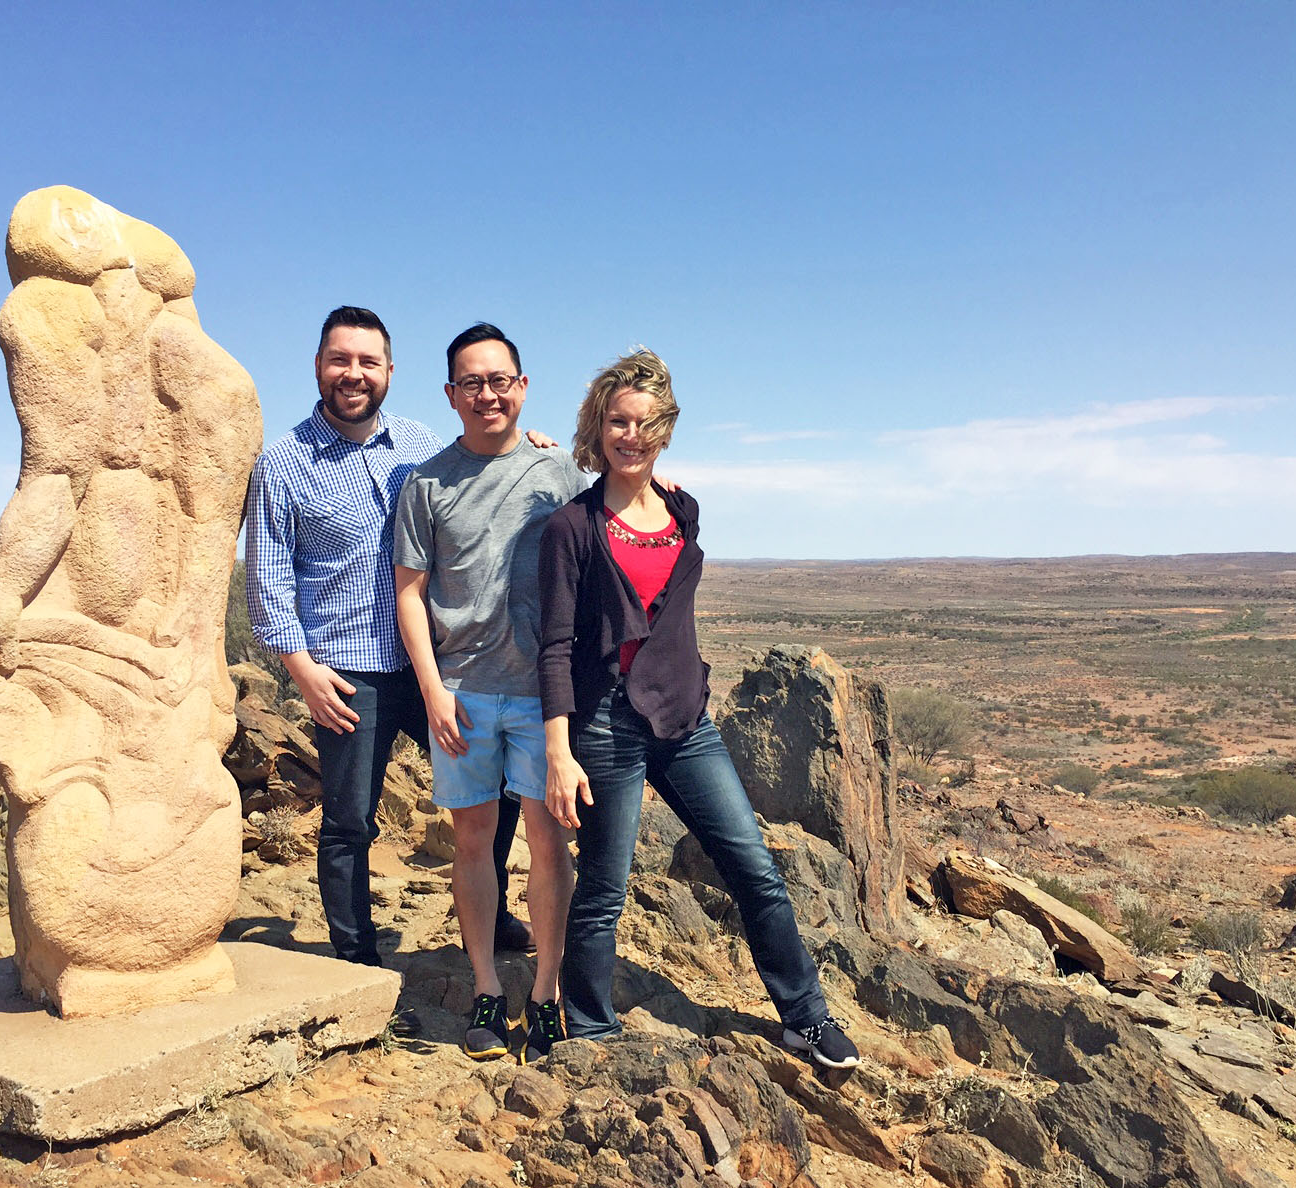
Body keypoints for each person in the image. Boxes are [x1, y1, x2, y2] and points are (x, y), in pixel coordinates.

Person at [538, 349, 861, 1069]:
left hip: (685, 720)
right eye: (617, 421)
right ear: (599, 426)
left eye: (645, 424)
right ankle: (588, 1030)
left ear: (665, 431)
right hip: (604, 725)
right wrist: (557, 751)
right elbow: (554, 645)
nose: (631, 435)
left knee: (753, 866)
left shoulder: (684, 508)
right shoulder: (571, 528)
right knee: (604, 886)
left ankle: (805, 1018)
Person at [245, 307, 533, 991]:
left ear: (390, 372)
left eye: (368, 362)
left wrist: (532, 449)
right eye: (341, 360)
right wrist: (301, 670)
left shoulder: (418, 441)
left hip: (434, 660)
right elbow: (267, 577)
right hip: (345, 670)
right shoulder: (284, 464)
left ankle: (486, 923)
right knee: (350, 821)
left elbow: (478, 473)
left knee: (489, 790)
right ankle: (356, 959)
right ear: (319, 366)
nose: (354, 374)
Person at [393, 323, 587, 1062]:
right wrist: (433, 690)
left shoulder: (557, 474)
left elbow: (613, 518)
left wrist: (665, 484)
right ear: (450, 395)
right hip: (465, 694)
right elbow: (409, 593)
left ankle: (544, 991)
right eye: (471, 382)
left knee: (547, 842)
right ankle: (483, 986)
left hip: (543, 696)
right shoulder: (427, 483)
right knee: (473, 842)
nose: (487, 394)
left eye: (499, 379)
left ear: (523, 386)